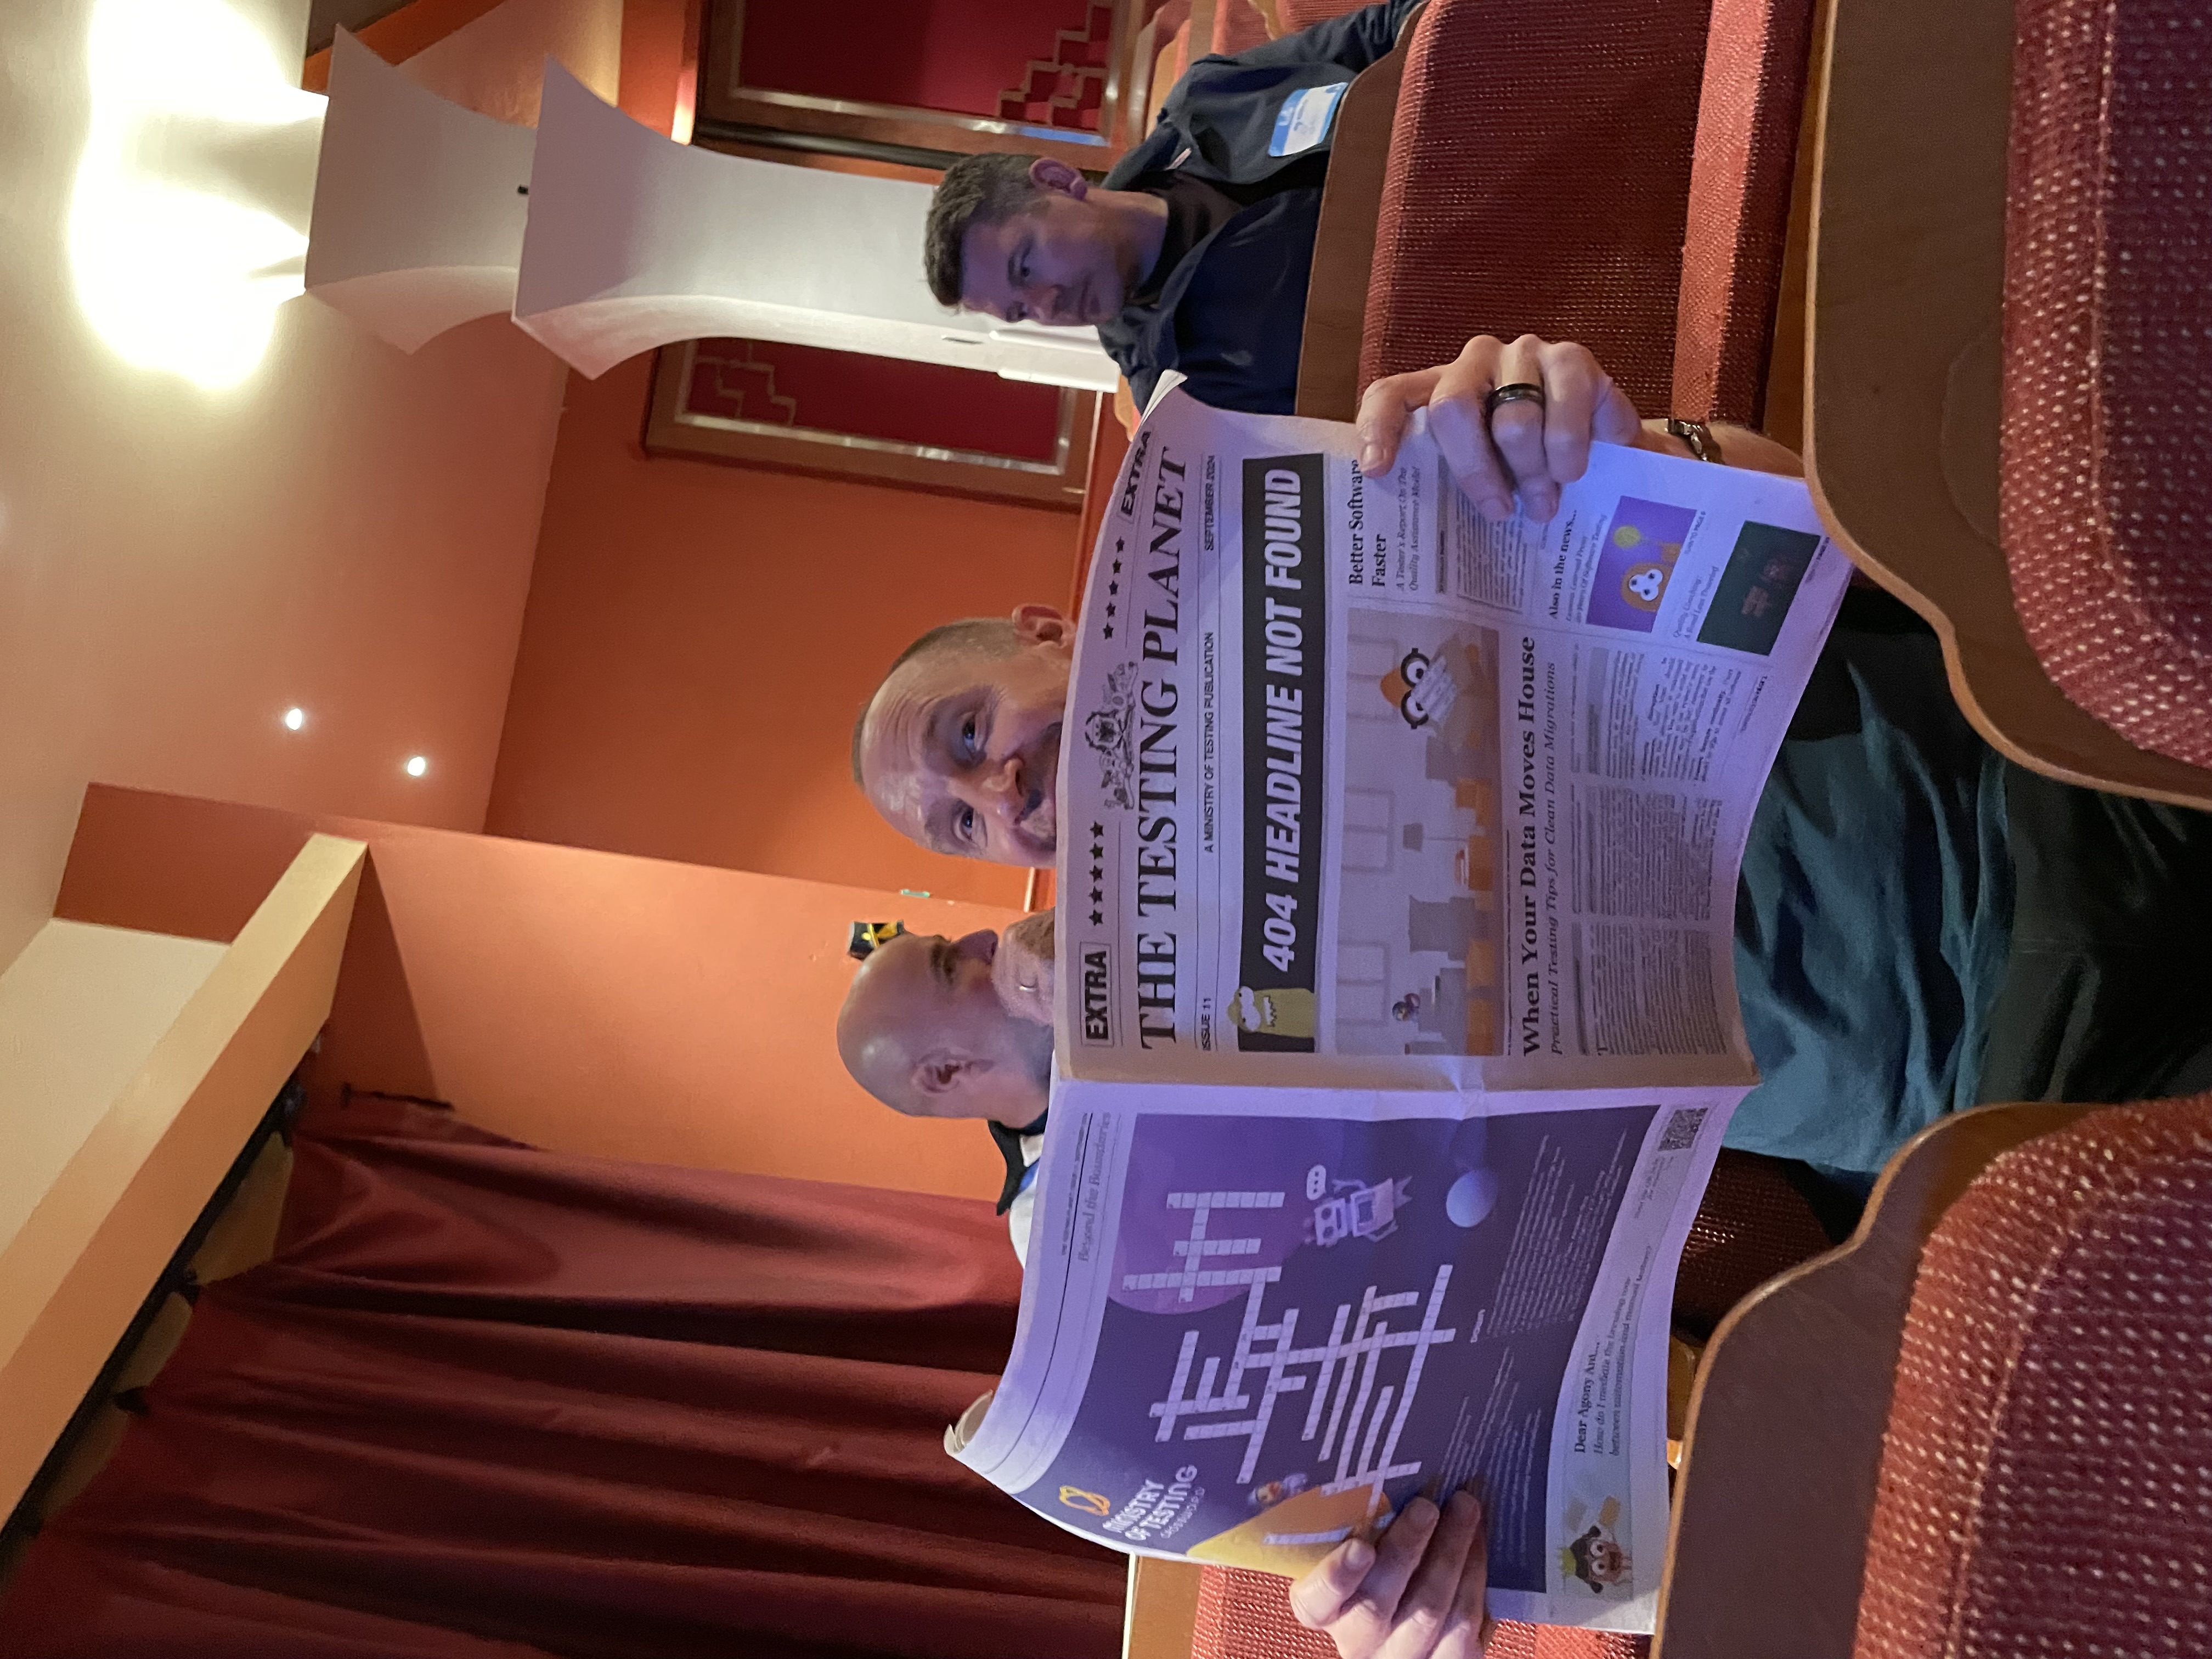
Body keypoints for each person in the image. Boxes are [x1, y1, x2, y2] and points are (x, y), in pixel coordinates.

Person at [853, 332, 2212, 1195]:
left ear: (1044, 634)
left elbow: (1805, 531)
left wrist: (1614, 448)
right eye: (960, 828)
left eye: (969, 736)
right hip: (1993, 1091)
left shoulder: (1311, 560)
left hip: (2028, 793)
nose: (1000, 794)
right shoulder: (1202, 1034)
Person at [839, 917, 1501, 1659]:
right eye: (947, 964)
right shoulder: (1057, 1219)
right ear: (946, 1073)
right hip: (1447, 1279)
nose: (984, 942)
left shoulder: (1137, 964)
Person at [922, 0, 1424, 415]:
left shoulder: (1208, 101)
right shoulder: (1177, 391)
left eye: (1024, 266)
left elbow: (1381, 33)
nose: (1044, 305)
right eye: (1019, 312)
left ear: (1058, 180)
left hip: (1469, 137)